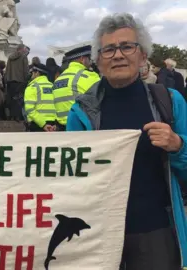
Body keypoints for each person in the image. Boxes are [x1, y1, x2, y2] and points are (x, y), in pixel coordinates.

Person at [67, 13, 187, 269]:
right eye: (108, 49)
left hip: (155, 232)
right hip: (98, 234)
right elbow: (69, 179)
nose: (118, 55)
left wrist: (178, 145)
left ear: (143, 56)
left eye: (127, 46)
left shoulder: (170, 101)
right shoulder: (80, 112)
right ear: (98, 61)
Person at [52, 45, 100, 130]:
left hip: (61, 128)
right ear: (82, 59)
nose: (91, 62)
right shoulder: (89, 76)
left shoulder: (58, 79)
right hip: (81, 128)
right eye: (89, 58)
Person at [23, 63, 57, 132]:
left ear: (37, 73)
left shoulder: (32, 87)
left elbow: (29, 110)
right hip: (53, 125)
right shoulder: (53, 86)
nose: (31, 74)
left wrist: (43, 124)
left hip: (37, 124)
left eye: (32, 72)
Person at [5, 44, 30, 121]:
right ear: (22, 49)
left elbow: (7, 69)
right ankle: (18, 116)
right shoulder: (24, 57)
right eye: (25, 49)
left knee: (11, 99)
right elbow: (25, 70)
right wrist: (27, 79)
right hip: (20, 81)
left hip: (10, 81)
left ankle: (11, 116)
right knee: (19, 99)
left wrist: (7, 79)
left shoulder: (10, 57)